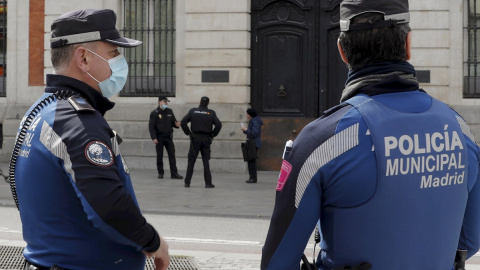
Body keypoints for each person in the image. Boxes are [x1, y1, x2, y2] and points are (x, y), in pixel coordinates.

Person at [261, 0, 480, 269]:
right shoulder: (461, 131)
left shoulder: (322, 142)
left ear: (342, 51)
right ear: (408, 45)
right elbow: (470, 239)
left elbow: (277, 263)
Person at [9, 9, 169, 270]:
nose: (120, 62)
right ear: (83, 58)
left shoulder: (43, 109)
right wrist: (153, 241)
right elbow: (108, 204)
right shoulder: (78, 121)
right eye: (114, 53)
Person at [180, 96, 222, 188]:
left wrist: (188, 133)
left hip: (195, 138)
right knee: (206, 162)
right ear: (208, 103)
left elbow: (183, 122)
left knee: (191, 161)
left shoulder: (193, 111)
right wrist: (213, 134)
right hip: (206, 139)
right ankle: (208, 183)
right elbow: (218, 125)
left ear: (199, 102)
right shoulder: (211, 113)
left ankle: (187, 182)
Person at [149, 95, 184, 180]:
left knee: (172, 155)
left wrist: (177, 125)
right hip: (159, 138)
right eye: (164, 101)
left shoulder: (170, 111)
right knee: (160, 156)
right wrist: (154, 137)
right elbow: (151, 127)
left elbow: (174, 123)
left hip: (168, 137)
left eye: (166, 102)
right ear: (159, 102)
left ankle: (174, 173)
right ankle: (160, 172)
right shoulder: (154, 113)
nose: (166, 103)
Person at [241, 108, 263, 183]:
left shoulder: (255, 121)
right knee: (250, 160)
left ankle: (253, 178)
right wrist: (245, 130)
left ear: (250, 115)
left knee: (252, 160)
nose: (246, 115)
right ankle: (252, 177)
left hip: (253, 143)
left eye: (247, 114)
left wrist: (246, 130)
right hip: (252, 142)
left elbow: (254, 133)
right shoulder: (254, 120)